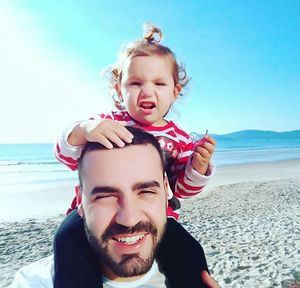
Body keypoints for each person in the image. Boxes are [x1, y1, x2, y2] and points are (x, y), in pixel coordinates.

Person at [10, 127, 220, 288]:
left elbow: (187, 184)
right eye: (105, 196)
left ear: (166, 191)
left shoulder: (189, 270)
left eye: (146, 191)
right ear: (80, 201)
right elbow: (65, 148)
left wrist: (197, 168)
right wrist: (83, 129)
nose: (128, 219)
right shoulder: (35, 281)